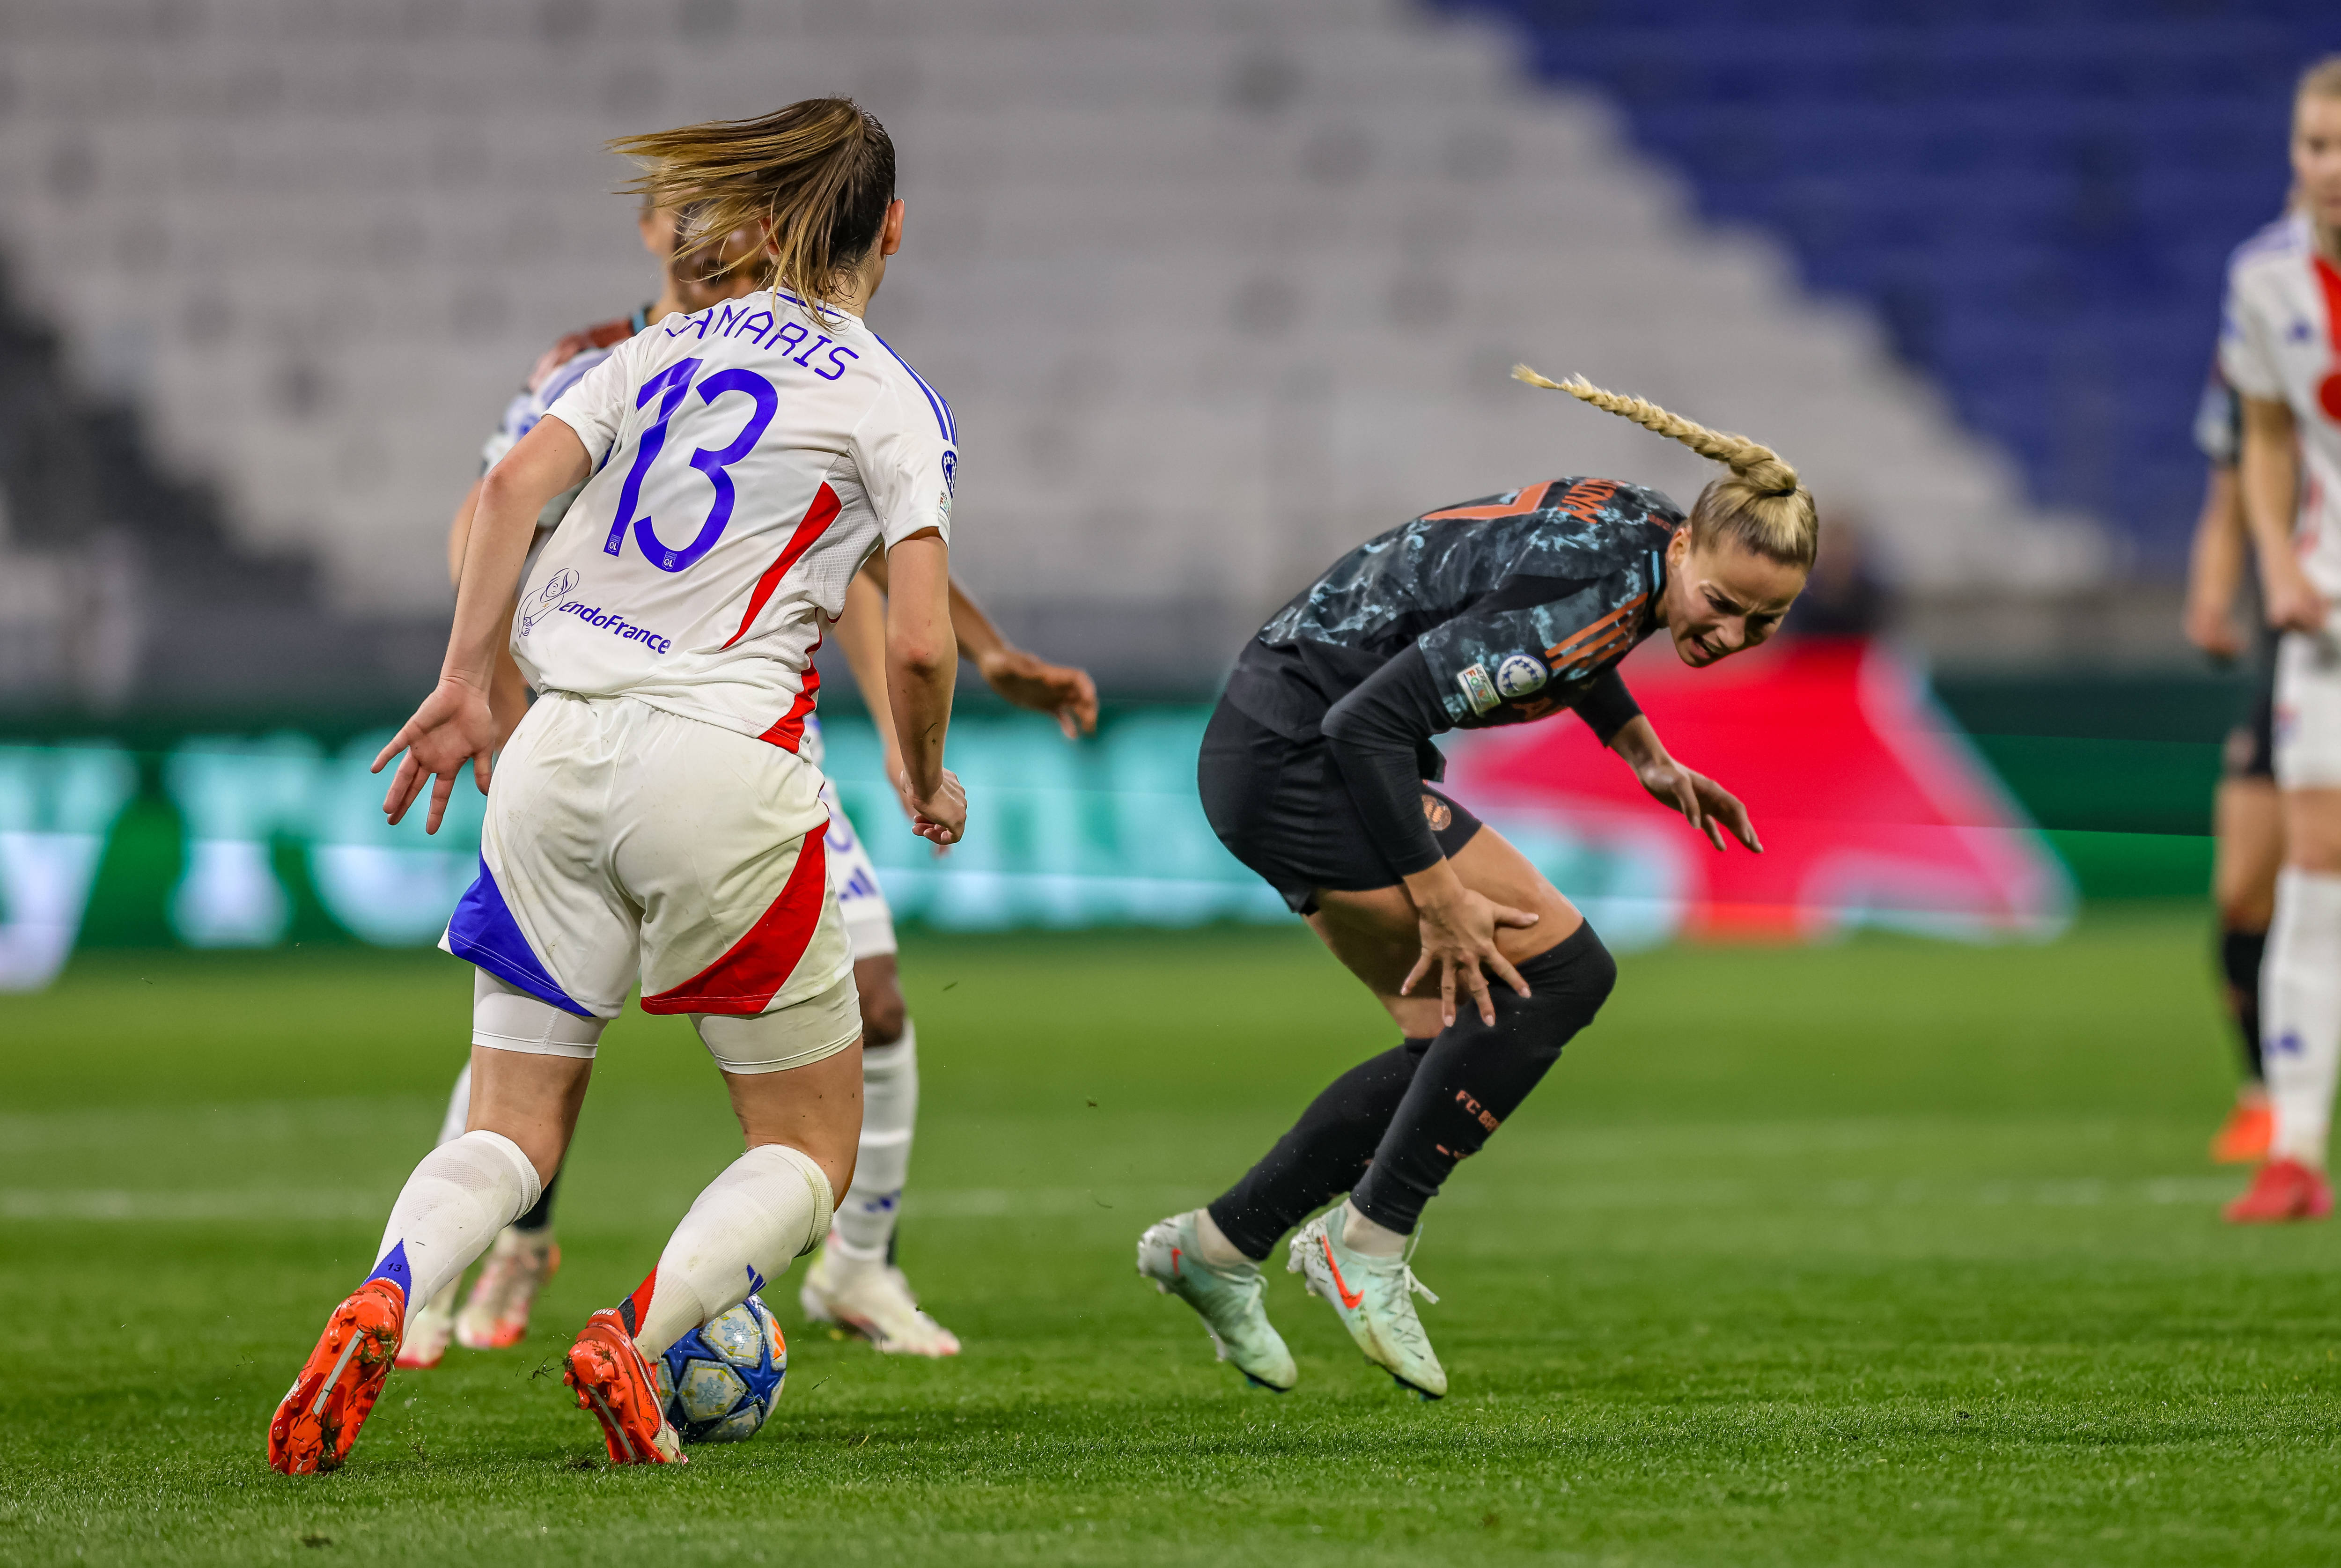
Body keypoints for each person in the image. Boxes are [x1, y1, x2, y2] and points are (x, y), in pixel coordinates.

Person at [270, 97, 967, 1474]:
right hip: (723, 764)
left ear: (764, 221)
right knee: (807, 1142)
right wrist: (929, 775)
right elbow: (923, 639)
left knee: (512, 1121)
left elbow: (507, 493)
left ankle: (390, 1289)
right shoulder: (893, 398)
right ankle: (637, 1336)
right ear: (890, 228)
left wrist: (465, 684)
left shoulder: (659, 346)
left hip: (555, 748)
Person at [396, 203, 1097, 1368]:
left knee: (873, 998)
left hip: (753, 739)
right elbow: (494, 509)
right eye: (686, 209)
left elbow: (868, 553)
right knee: (546, 1028)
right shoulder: (603, 359)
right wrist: (490, 680)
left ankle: (859, 1268)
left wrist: (975, 666)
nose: (710, 234)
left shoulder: (799, 363)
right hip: (610, 712)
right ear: (648, 227)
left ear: (773, 230)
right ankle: (507, 1244)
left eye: (731, 214)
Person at [1138, 367, 1811, 1398]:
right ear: (1685, 549)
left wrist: (1642, 752)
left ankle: (1218, 1248)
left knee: (1455, 1038)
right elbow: (1367, 723)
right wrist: (1440, 896)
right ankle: (1367, 1243)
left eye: (1764, 623)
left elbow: (1548, 627)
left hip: (1269, 739)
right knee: (1567, 975)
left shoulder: (1639, 531)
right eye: (1722, 606)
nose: (1730, 637)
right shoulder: (1602, 591)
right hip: (1304, 760)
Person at [2221, 55, 2341, 1223]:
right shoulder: (2262, 277)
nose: (2330, 166)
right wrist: (2277, 563)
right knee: (2314, 861)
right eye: (2314, 144)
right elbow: (2264, 434)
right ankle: (2295, 1147)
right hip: (2328, 605)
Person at [2180, 361, 2281, 1167]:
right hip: (2304, 647)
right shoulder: (2264, 338)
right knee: (2244, 888)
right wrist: (2211, 598)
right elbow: (2230, 499)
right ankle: (2264, 1093)